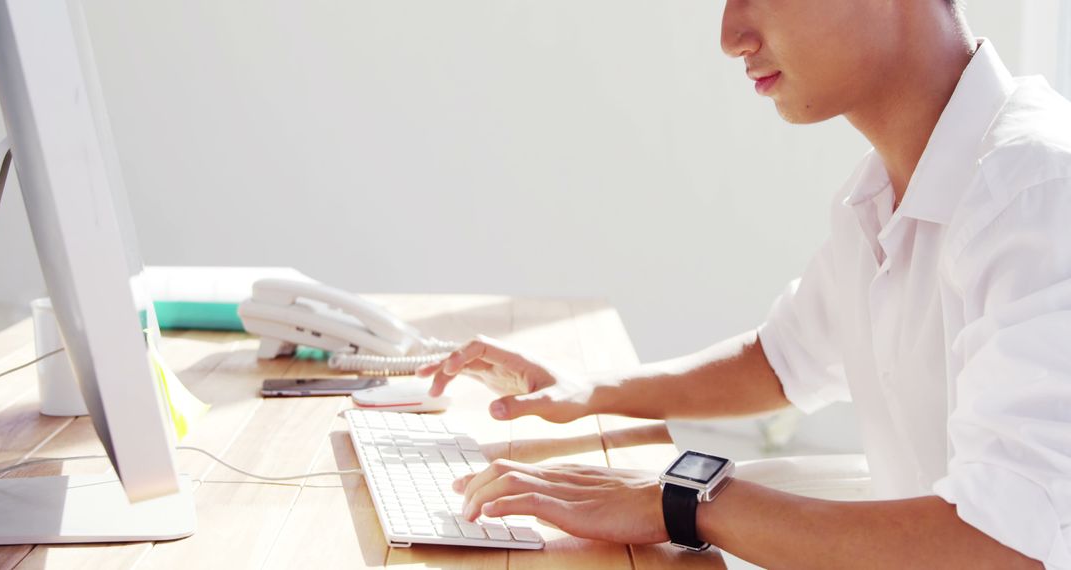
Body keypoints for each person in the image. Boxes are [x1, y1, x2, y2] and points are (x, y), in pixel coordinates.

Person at [417, 0, 1071, 567]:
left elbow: (1003, 548)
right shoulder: (876, 197)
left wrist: (683, 500)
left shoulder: (1035, 191)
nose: (730, 35)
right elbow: (781, 361)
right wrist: (585, 391)